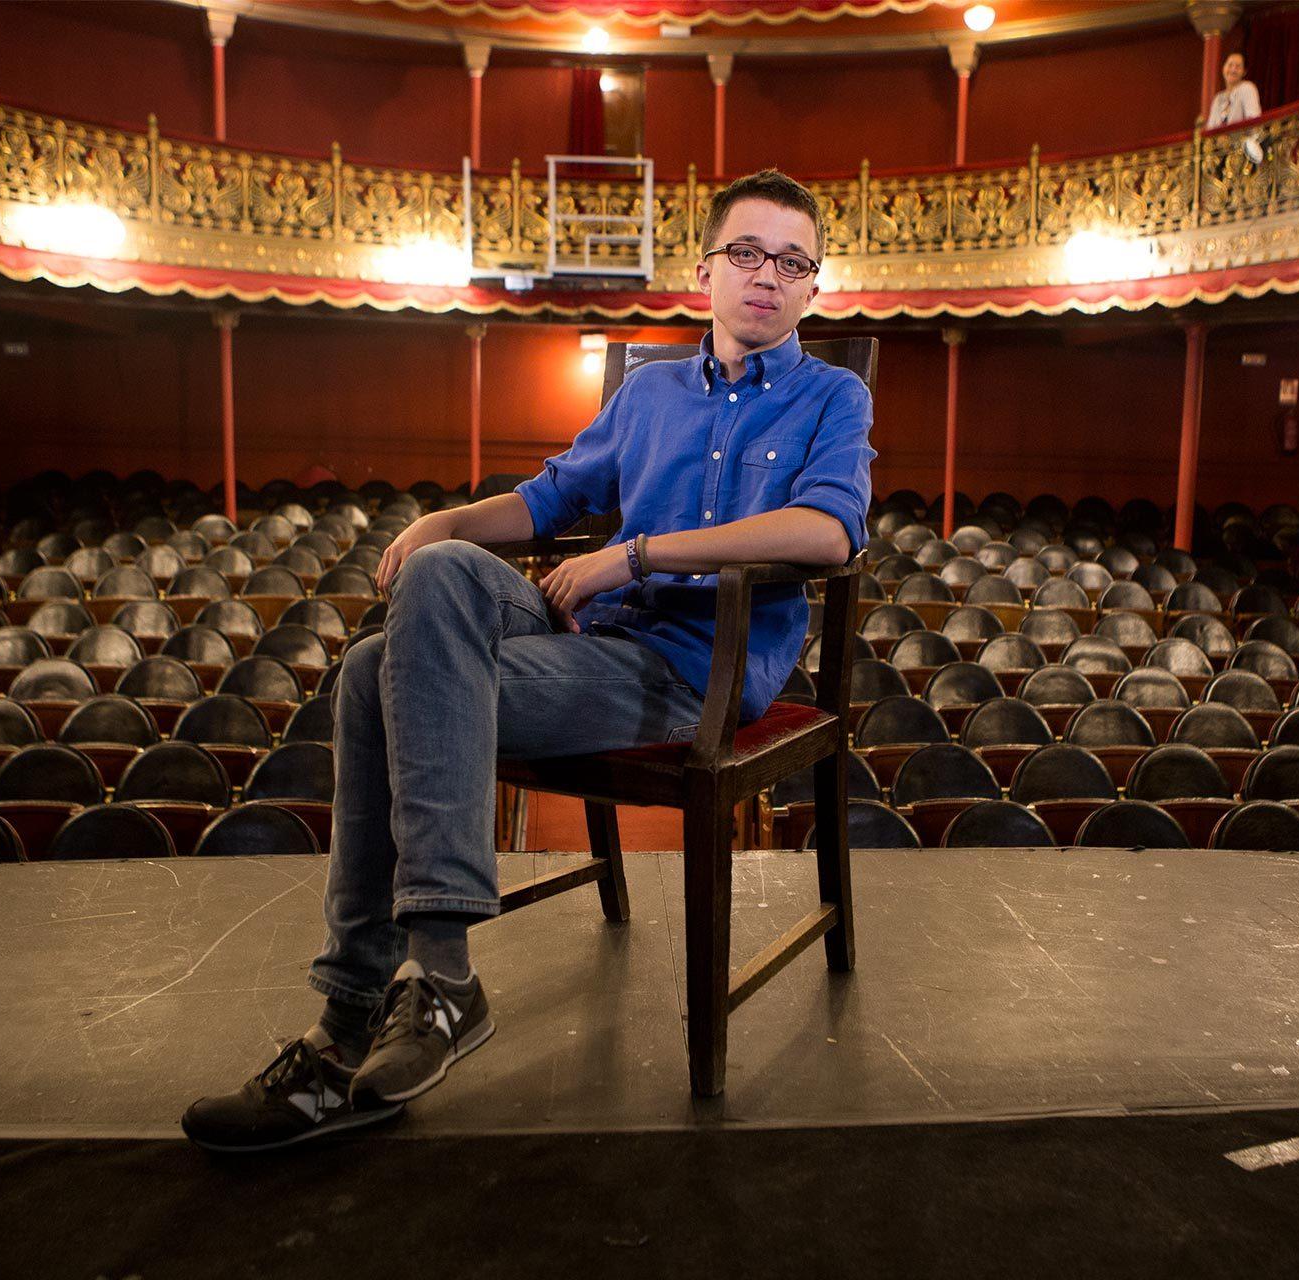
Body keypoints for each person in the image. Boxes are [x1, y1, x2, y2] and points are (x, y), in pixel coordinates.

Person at [181, 168, 877, 1152]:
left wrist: (632, 554)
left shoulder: (829, 397)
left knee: (370, 676)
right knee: (440, 576)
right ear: (705, 270)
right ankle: (432, 987)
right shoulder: (650, 393)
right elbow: (548, 500)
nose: (767, 274)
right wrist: (445, 519)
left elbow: (824, 532)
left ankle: (357, 1016)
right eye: (746, 253)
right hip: (588, 636)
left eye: (792, 260)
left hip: (689, 671)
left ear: (812, 285)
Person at [1206, 52, 1264, 164]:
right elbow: (1210, 129)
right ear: (1223, 68)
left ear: (1244, 72)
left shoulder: (1247, 88)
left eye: (1238, 66)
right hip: (1219, 153)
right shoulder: (1218, 98)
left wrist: (1232, 139)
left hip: (1241, 153)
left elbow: (1253, 121)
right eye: (1230, 65)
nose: (1233, 69)